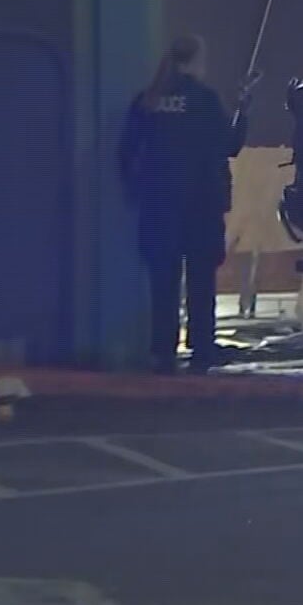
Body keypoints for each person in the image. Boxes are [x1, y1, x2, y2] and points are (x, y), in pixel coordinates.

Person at [118, 35, 253, 373]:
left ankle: (163, 351)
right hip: (200, 207)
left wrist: (135, 190)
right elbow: (230, 144)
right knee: (200, 282)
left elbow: (125, 152)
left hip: (158, 207)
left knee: (163, 283)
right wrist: (243, 107)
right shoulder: (204, 100)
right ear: (195, 61)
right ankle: (201, 350)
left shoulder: (147, 101)